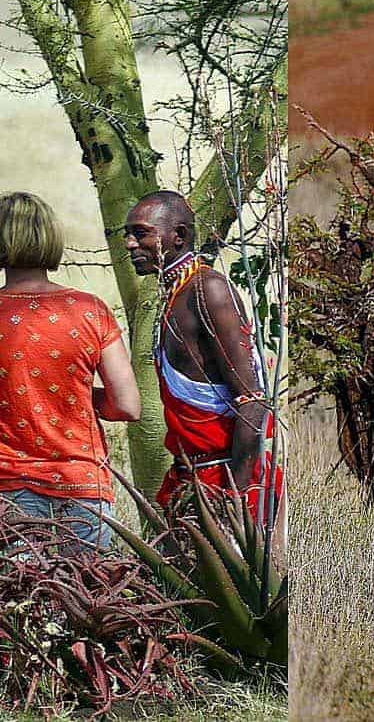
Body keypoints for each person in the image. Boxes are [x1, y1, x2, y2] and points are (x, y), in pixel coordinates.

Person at [0, 192, 140, 549]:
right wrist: (76, 398)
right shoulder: (91, 311)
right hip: (82, 487)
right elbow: (127, 406)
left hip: (4, 491)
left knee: (15, 587)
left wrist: (0, 405)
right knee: (85, 585)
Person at [121, 190, 280, 523]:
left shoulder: (208, 291)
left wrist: (234, 501)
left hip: (226, 489)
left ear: (178, 236)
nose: (130, 244)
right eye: (127, 234)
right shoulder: (174, 294)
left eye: (141, 233)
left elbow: (252, 401)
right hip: (192, 485)